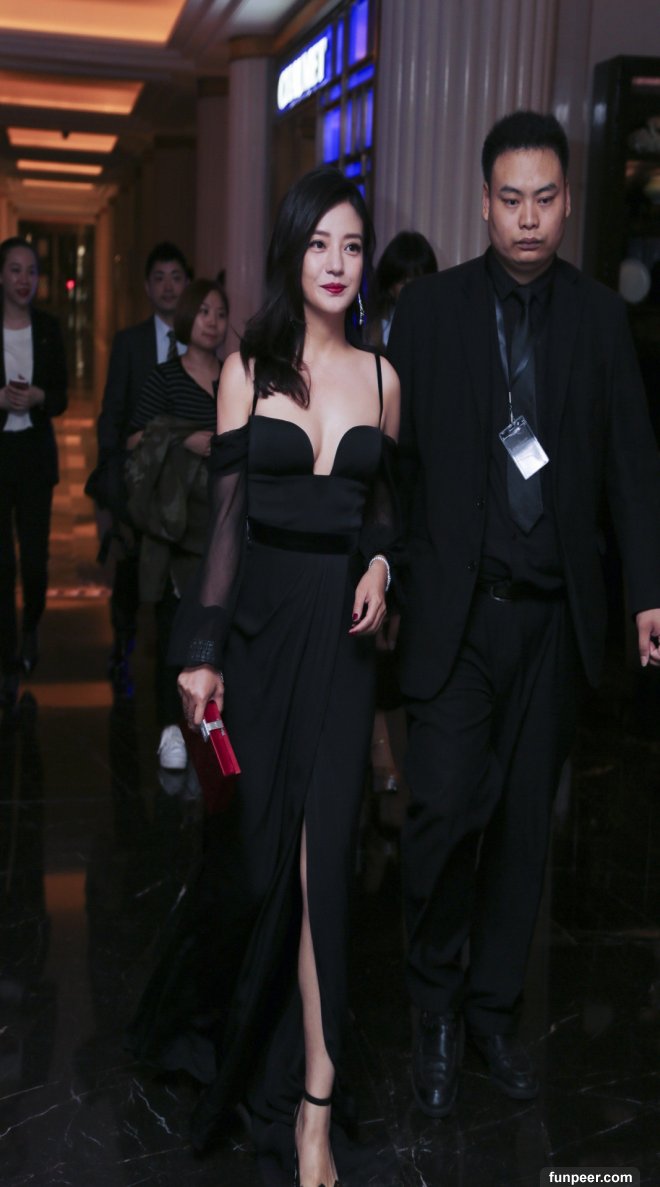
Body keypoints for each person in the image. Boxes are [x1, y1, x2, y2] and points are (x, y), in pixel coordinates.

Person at [127, 165, 400, 1187]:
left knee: (324, 870)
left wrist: (383, 562)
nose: (337, 262)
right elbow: (227, 524)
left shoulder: (385, 379)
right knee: (252, 865)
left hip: (343, 646)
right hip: (259, 636)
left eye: (352, 245)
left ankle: (313, 1111)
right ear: (291, 252)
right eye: (319, 243)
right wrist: (201, 651)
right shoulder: (249, 366)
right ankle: (219, 1027)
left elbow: (386, 510)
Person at [387, 110, 660, 1118]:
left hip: (553, 620)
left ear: (568, 200)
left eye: (546, 198)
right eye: (512, 199)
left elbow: (633, 463)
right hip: (458, 615)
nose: (530, 218)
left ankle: (493, 1012)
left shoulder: (599, 320)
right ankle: (434, 1005)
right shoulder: (430, 312)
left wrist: (648, 590)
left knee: (521, 833)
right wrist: (386, 564)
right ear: (484, 202)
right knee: (440, 813)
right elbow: (396, 464)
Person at [126, 278, 228, 774]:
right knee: (176, 627)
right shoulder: (164, 378)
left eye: (220, 313)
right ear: (188, 316)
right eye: (204, 311)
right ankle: (171, 728)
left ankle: (213, 731)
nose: (213, 321)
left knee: (216, 625)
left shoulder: (236, 377)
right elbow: (134, 441)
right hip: (176, 525)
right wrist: (183, 438)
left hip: (224, 519)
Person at [92, 242, 189, 688]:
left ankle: (173, 659)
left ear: (187, 285)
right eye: (159, 278)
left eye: (176, 278)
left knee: (176, 573)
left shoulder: (202, 341)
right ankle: (124, 643)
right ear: (148, 288)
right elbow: (112, 412)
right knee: (130, 569)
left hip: (185, 481)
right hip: (138, 479)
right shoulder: (129, 343)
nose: (168, 287)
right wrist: (111, 475)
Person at [0, 236, 67, 708]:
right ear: (1, 276)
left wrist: (40, 396)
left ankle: (32, 626)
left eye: (31, 271)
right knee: (2, 563)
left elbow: (60, 395)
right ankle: (8, 657)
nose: (24, 280)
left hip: (35, 456)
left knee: (35, 560)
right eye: (15, 270)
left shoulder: (48, 328)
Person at [367, 230, 438, 350]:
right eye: (405, 283)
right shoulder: (374, 329)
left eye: (420, 282)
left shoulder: (438, 326)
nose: (415, 291)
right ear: (390, 287)